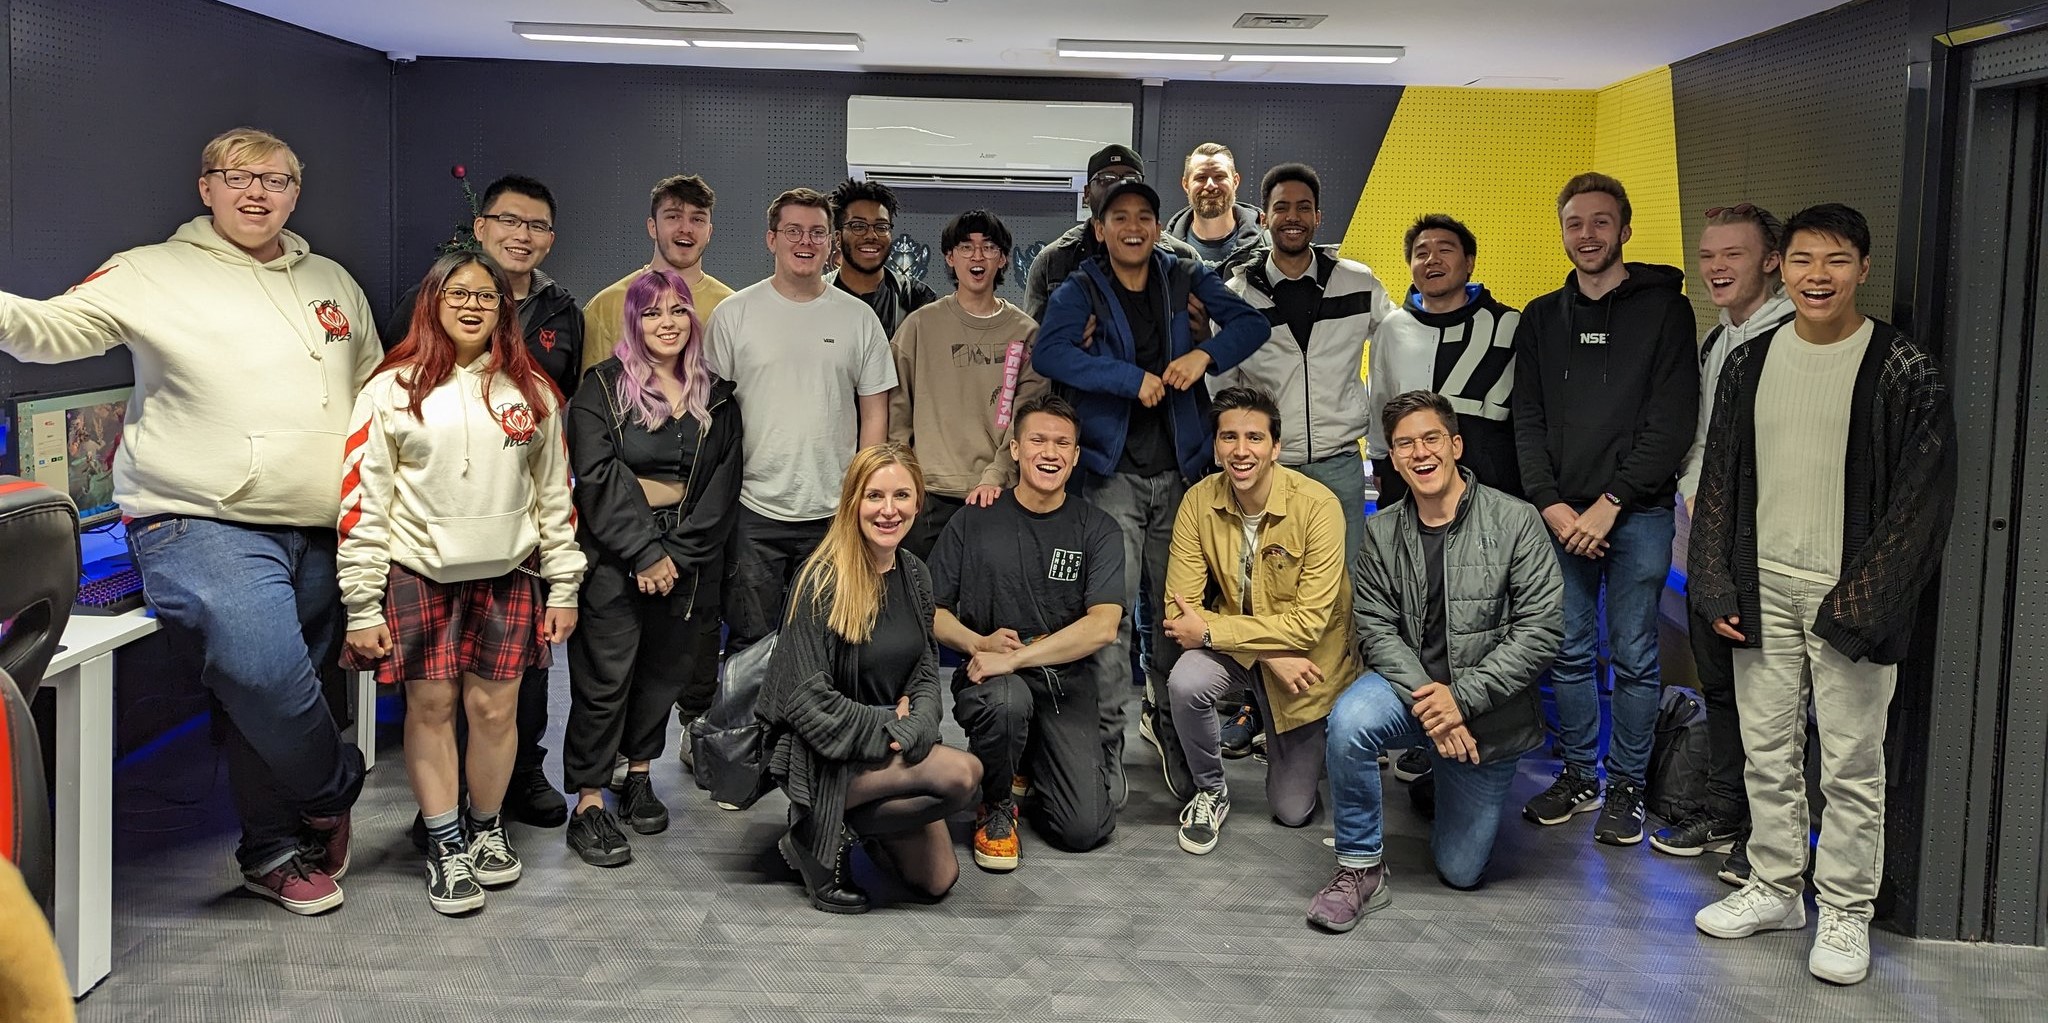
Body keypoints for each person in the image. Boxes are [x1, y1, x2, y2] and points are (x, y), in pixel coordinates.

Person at [0, 127, 376, 914]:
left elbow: (374, 392)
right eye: (238, 175)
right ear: (206, 187)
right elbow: (50, 331)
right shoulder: (150, 271)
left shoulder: (332, 282)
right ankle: (333, 787)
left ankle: (271, 852)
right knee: (262, 672)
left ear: (295, 194)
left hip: (319, 521)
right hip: (201, 518)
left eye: (276, 179)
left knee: (279, 693)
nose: (257, 191)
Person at [1689, 203, 1956, 986]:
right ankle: (1776, 887)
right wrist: (1715, 580)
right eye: (1804, 259)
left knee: (1850, 761)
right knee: (1767, 750)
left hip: (1852, 593)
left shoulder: (1903, 368)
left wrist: (1863, 603)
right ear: (1783, 266)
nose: (1818, 275)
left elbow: (1922, 501)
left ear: (1862, 269)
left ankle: (1845, 908)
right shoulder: (1750, 361)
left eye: (1836, 260)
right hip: (1762, 585)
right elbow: (1719, 477)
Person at [338, 252, 584, 915]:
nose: (472, 306)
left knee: (496, 711)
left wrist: (563, 586)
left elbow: (556, 499)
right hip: (419, 572)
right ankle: (445, 844)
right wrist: (362, 604)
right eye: (458, 293)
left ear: (504, 309)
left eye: (486, 296)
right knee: (431, 708)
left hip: (508, 574)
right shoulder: (389, 389)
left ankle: (485, 828)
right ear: (433, 301)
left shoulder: (533, 392)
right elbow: (363, 503)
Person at [1032, 178, 1267, 802]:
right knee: (1107, 623)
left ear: (1159, 227)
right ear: (1100, 228)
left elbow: (1251, 325)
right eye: (1119, 217)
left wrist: (1203, 357)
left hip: (1181, 477)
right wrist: (1126, 378)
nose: (1133, 227)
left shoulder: (1184, 275)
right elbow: (1049, 354)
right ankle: (1105, 753)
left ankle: (1175, 741)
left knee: (1174, 620)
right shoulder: (1080, 286)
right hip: (1111, 478)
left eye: (1144, 216)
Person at [1308, 390, 1562, 932]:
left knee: (1460, 871)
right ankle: (1360, 868)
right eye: (1405, 444)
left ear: (1456, 445)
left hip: (1487, 711)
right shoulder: (1380, 532)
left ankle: (1440, 780)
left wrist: (1460, 701)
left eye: (1431, 439)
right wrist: (1437, 708)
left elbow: (1540, 632)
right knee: (1350, 721)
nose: (1419, 452)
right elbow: (1374, 629)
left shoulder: (1516, 520)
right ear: (1393, 458)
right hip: (1413, 694)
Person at [386, 173, 586, 828]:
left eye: (537, 225)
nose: (521, 235)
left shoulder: (562, 311)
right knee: (437, 695)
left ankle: (516, 781)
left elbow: (558, 426)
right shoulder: (425, 302)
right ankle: (441, 811)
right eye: (509, 220)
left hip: (514, 538)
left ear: (551, 237)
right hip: (430, 539)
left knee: (515, 686)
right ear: (481, 227)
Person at [1511, 172, 1697, 846]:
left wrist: (1610, 502)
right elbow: (1526, 418)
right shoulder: (1541, 318)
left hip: (1637, 513)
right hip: (1561, 518)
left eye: (1600, 221)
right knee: (1567, 652)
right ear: (1561, 232)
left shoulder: (1667, 311)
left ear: (1625, 229)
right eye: (1574, 223)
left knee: (1635, 657)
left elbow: (1672, 423)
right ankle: (1579, 776)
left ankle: (1626, 787)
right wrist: (1551, 505)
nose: (1586, 235)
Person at [562, 269, 742, 867]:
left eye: (678, 310)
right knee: (604, 679)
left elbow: (719, 489)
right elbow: (597, 477)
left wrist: (676, 556)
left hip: (686, 558)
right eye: (652, 312)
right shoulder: (602, 388)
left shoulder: (716, 396)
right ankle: (590, 800)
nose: (667, 322)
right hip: (614, 557)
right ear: (632, 322)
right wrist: (644, 552)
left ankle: (638, 775)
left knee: (664, 674)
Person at [755, 444, 982, 913]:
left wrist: (918, 725)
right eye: (874, 496)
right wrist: (888, 725)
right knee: (964, 774)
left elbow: (925, 670)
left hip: (886, 748)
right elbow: (805, 701)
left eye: (902, 496)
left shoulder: (915, 574)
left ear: (918, 503)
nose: (888, 510)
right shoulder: (820, 579)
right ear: (853, 501)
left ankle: (828, 828)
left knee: (938, 879)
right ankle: (818, 821)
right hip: (822, 757)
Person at [1653, 203, 1795, 880]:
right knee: (1721, 686)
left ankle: (1769, 839)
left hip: (1767, 547)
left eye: (1733, 254)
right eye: (1708, 255)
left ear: (1771, 261)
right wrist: (1692, 495)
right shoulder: (1717, 339)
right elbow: (1703, 441)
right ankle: (1728, 812)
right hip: (1708, 541)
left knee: (1772, 700)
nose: (1716, 267)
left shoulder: (1793, 338)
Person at [931, 393, 1124, 870]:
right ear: (1015, 449)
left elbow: (1103, 626)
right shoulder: (974, 519)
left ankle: (1027, 761)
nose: (1050, 453)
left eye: (1062, 444)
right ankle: (996, 804)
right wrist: (978, 644)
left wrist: (1015, 657)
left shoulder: (1097, 528)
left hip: (1063, 684)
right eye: (1038, 440)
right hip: (991, 681)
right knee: (1007, 703)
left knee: (1083, 830)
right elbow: (930, 611)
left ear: (1075, 456)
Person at [1160, 386, 1357, 853]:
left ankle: (1305, 735)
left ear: (1276, 447)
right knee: (1185, 682)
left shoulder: (1318, 506)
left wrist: (1213, 631)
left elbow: (1308, 625)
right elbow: (1178, 612)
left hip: (1305, 664)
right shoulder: (1198, 501)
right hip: (1257, 651)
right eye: (1229, 437)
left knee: (1292, 810)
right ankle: (1211, 790)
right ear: (1215, 447)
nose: (1240, 450)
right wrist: (1266, 654)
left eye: (1254, 437)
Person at [709, 187, 895, 658]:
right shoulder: (733, 315)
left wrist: (861, 496)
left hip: (832, 512)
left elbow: (875, 413)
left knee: (829, 644)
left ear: (831, 242)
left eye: (817, 232)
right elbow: (710, 412)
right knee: (751, 645)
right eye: (793, 231)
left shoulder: (859, 319)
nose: (805, 242)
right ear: (771, 239)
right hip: (752, 509)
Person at [1219, 162, 1390, 563]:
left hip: (1340, 467)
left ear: (1318, 217)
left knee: (1343, 583)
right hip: (1267, 469)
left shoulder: (1358, 283)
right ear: (1264, 219)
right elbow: (1221, 389)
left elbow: (1397, 347)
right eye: (1281, 208)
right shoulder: (1236, 297)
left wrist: (1383, 445)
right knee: (1267, 582)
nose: (1292, 217)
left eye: (1303, 208)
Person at [889, 208, 1044, 560]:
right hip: (928, 495)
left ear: (1003, 259)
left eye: (988, 247)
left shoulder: (1025, 333)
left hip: (997, 493)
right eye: (965, 247)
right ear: (949, 257)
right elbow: (896, 412)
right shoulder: (919, 326)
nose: (977, 256)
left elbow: (1026, 419)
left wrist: (997, 474)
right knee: (922, 590)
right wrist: (904, 477)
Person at [1369, 215, 1524, 509]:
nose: (1432, 260)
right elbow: (1380, 401)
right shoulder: (1391, 328)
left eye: (1445, 250)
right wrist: (1380, 464)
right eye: (1421, 253)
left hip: (1494, 490)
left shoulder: (1510, 325)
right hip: (1410, 488)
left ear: (1469, 262)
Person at [1023, 144, 1201, 321]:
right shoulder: (1053, 261)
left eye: (1131, 179)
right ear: (1087, 193)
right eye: (1106, 179)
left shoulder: (1183, 257)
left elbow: (1202, 330)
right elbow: (1034, 335)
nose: (1119, 186)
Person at [582, 174, 738, 371]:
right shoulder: (606, 306)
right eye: (673, 217)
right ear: (652, 227)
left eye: (697, 219)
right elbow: (593, 387)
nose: (686, 228)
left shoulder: (732, 308)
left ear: (709, 232)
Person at [826, 177, 939, 337]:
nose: (871, 235)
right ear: (838, 238)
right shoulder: (815, 295)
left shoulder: (917, 299)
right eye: (858, 226)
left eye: (881, 227)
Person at [1166, 143, 1264, 268]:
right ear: (1186, 184)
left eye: (1219, 176)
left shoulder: (1268, 246)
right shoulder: (1164, 253)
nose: (1210, 186)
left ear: (1235, 181)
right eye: (1201, 177)